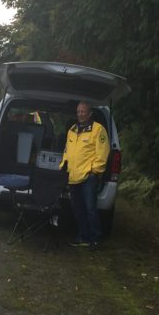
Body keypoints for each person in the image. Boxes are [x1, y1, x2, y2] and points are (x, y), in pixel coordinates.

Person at [59, 101, 110, 251]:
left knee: (90, 209)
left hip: (89, 177)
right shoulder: (72, 130)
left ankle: (95, 239)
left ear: (90, 113)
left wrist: (95, 171)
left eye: (83, 111)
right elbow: (67, 150)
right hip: (73, 176)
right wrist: (63, 165)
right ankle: (83, 237)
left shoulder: (98, 130)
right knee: (78, 209)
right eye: (78, 111)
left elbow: (103, 152)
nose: (80, 114)